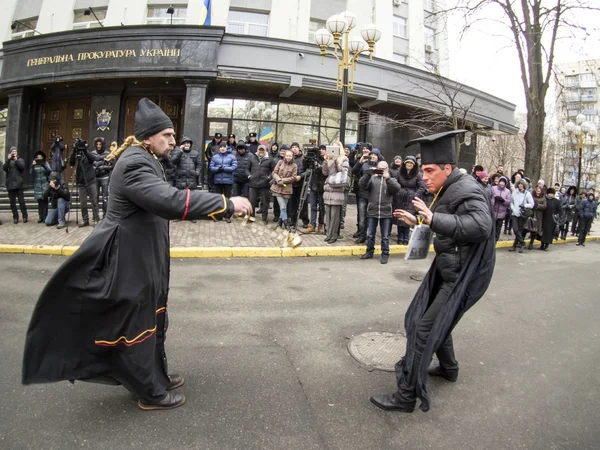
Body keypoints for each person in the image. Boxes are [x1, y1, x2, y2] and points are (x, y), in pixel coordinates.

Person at [22, 98, 252, 411]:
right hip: (128, 257)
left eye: (173, 135)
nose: (173, 141)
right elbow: (169, 200)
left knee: (155, 315)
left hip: (144, 254)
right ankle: (149, 393)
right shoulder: (133, 164)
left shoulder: (146, 158)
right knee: (137, 323)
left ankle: (156, 377)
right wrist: (226, 204)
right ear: (148, 137)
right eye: (167, 135)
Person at [370, 130, 494, 413]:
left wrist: (434, 217)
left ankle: (405, 397)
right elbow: (451, 223)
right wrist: (420, 220)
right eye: (422, 169)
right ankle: (449, 369)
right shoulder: (450, 187)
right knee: (435, 319)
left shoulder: (468, 189)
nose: (424, 176)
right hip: (451, 269)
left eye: (429, 170)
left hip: (462, 276)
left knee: (422, 328)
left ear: (447, 168)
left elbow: (481, 226)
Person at [359, 161, 400, 264]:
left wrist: (388, 178)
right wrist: (368, 174)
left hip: (386, 211)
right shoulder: (372, 178)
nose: (382, 170)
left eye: (384, 168)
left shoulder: (391, 179)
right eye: (379, 168)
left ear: (387, 169)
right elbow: (361, 185)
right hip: (373, 209)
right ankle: (369, 252)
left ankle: (385, 254)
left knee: (385, 236)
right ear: (376, 168)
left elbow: (396, 189)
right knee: (370, 234)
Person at [393, 156, 426, 245]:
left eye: (411, 163)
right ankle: (400, 237)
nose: (409, 164)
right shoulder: (399, 172)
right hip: (399, 197)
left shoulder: (418, 174)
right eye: (408, 163)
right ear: (405, 163)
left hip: (410, 198)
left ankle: (406, 238)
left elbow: (422, 187)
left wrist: (415, 195)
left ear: (414, 165)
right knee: (400, 217)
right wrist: (398, 191)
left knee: (408, 217)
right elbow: (395, 183)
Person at [70, 139, 102, 227]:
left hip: (91, 181)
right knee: (83, 203)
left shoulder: (88, 154)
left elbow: (94, 159)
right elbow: (71, 162)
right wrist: (73, 151)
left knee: (94, 201)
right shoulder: (76, 155)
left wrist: (85, 150)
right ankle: (85, 220)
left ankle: (96, 219)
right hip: (81, 183)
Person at [322, 147, 349, 244]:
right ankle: (328, 234)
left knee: (335, 216)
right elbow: (325, 172)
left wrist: (336, 161)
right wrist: (325, 161)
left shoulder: (344, 159)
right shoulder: (329, 159)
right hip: (328, 190)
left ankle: (334, 235)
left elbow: (343, 172)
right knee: (328, 215)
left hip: (337, 189)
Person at [352, 147, 378, 243]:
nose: (373, 157)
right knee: (362, 216)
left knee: (372, 217)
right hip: (363, 194)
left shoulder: (381, 165)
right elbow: (353, 171)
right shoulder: (364, 164)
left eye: (375, 155)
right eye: (371, 155)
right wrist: (360, 161)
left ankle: (370, 236)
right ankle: (362, 235)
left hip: (374, 195)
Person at [270, 149, 297, 230]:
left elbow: (293, 177)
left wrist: (283, 181)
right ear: (285, 156)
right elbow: (274, 172)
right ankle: (286, 224)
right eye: (287, 155)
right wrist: (278, 179)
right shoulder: (280, 162)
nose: (288, 157)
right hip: (277, 188)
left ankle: (279, 224)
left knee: (283, 207)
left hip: (287, 189)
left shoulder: (294, 166)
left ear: (292, 157)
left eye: (290, 156)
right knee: (283, 207)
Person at [302, 147, 325, 234]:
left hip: (322, 186)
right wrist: (306, 158)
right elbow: (305, 167)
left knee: (322, 208)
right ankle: (312, 225)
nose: (322, 151)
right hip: (313, 185)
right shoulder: (312, 159)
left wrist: (318, 164)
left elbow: (325, 170)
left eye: (323, 149)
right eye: (321, 149)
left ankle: (321, 225)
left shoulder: (325, 159)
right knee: (313, 206)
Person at [209, 141, 238, 212]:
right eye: (221, 147)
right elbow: (211, 167)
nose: (222, 148)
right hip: (218, 181)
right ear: (219, 148)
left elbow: (234, 167)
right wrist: (218, 169)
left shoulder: (232, 156)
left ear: (226, 148)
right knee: (218, 198)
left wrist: (224, 168)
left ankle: (227, 213)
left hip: (228, 181)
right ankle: (218, 212)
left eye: (224, 147)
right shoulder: (215, 157)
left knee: (227, 198)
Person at [248, 145, 273, 224]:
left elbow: (274, 170)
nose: (261, 152)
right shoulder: (252, 158)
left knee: (265, 202)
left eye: (263, 150)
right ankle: (251, 217)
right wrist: (249, 175)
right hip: (253, 183)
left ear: (265, 151)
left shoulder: (270, 159)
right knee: (251, 201)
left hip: (264, 184)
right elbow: (246, 169)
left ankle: (264, 218)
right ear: (257, 150)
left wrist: (269, 177)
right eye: (260, 150)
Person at [509, 179, 534, 253]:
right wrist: (513, 209)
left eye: (522, 184)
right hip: (514, 213)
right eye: (519, 184)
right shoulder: (514, 192)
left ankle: (514, 245)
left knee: (519, 230)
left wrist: (525, 205)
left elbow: (532, 204)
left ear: (524, 185)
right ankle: (522, 243)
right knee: (515, 229)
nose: (520, 185)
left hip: (522, 214)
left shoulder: (527, 194)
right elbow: (511, 202)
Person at [4, 147, 28, 224]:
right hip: (10, 184)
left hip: (19, 184)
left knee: (21, 202)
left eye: (15, 151)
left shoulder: (20, 160)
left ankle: (24, 215)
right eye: (12, 151)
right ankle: (15, 216)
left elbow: (22, 167)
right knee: (12, 203)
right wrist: (8, 160)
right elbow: (4, 168)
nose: (14, 152)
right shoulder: (8, 161)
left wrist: (16, 160)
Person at [288, 142, 309, 228]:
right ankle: (293, 220)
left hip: (302, 184)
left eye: (296, 147)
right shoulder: (289, 158)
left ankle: (305, 221)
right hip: (292, 184)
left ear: (299, 149)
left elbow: (308, 171)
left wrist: (301, 176)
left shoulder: (304, 158)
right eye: (293, 147)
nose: (294, 148)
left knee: (303, 203)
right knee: (292, 204)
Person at [92, 137, 113, 219]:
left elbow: (112, 166)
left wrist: (103, 167)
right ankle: (95, 216)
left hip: (104, 177)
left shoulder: (108, 153)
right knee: (95, 198)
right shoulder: (92, 153)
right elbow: (89, 164)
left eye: (100, 144)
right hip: (95, 178)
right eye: (97, 144)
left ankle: (106, 216)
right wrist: (93, 168)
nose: (98, 146)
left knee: (105, 198)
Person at [30, 151, 52, 223]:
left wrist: (44, 165)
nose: (39, 158)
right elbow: (31, 173)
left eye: (40, 157)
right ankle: (40, 216)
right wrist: (32, 166)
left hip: (44, 185)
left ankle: (45, 216)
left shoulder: (45, 163)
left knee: (45, 202)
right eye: (38, 157)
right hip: (37, 185)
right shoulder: (35, 164)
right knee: (39, 202)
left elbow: (50, 171)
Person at [491, 176, 511, 241]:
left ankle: (496, 240)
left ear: (505, 184)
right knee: (492, 227)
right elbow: (490, 197)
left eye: (503, 183)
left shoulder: (507, 191)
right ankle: (491, 240)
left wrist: (503, 200)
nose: (502, 184)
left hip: (502, 212)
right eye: (501, 182)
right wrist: (495, 198)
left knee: (498, 228)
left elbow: (509, 202)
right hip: (493, 211)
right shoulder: (493, 188)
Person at [526, 185, 546, 250]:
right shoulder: (531, 196)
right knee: (527, 228)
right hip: (531, 214)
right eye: (537, 191)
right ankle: (520, 242)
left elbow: (545, 206)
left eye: (539, 191)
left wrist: (538, 205)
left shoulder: (543, 198)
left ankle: (531, 243)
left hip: (538, 216)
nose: (538, 192)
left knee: (535, 230)